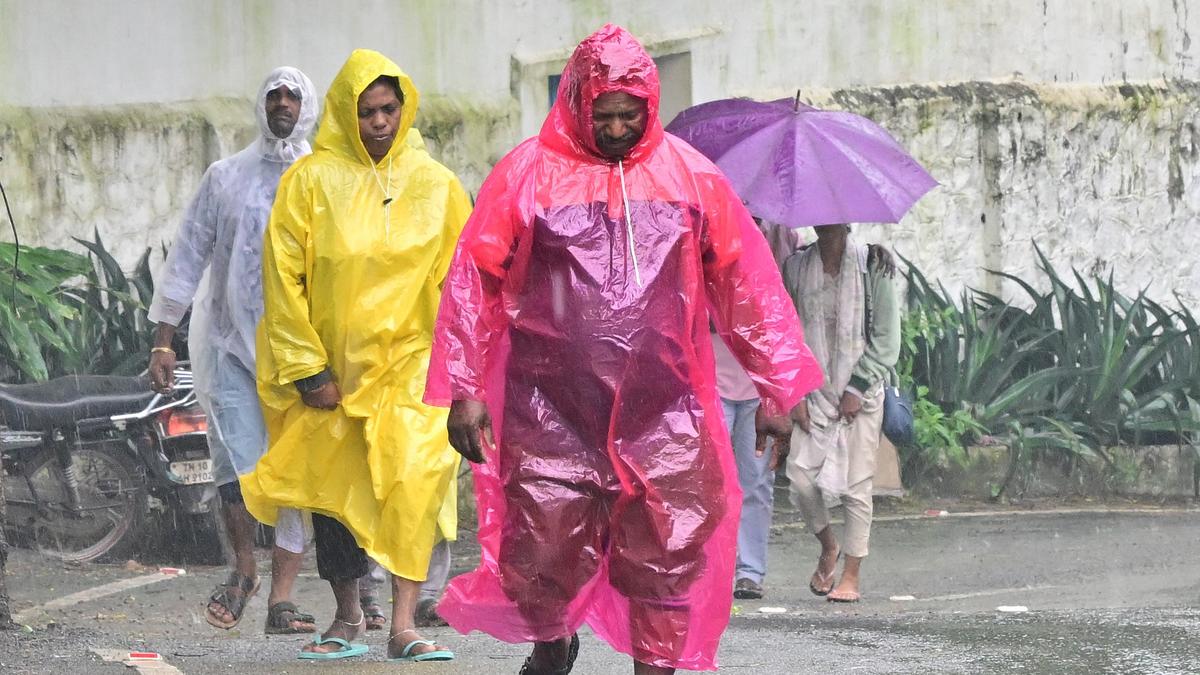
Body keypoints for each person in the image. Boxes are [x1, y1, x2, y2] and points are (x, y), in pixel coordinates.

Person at [425, 24, 823, 675]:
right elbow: (475, 281)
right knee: (542, 553)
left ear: (649, 106)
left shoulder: (691, 178)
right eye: (602, 114)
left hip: (664, 411)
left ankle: (655, 668)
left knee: (668, 554)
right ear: (578, 104)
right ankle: (552, 643)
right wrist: (464, 389)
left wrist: (778, 388)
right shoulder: (528, 174)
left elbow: (747, 286)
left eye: (626, 114)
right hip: (550, 408)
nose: (614, 128)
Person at [241, 49, 471, 661]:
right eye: (366, 111)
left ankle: (403, 625)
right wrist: (306, 367)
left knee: (414, 484)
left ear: (405, 107)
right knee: (336, 497)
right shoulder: (310, 182)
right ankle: (347, 615)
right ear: (346, 112)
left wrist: (464, 372)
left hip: (413, 371)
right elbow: (281, 275)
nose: (379, 122)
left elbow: (464, 284)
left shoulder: (438, 187)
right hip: (334, 375)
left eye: (389, 109)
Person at [146, 67, 319, 636]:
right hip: (229, 349)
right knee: (243, 468)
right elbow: (189, 255)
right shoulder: (225, 178)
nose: (283, 104)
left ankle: (283, 598)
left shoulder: (323, 179)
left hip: (302, 357)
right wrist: (164, 338)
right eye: (274, 95)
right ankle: (243, 570)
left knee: (295, 472)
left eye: (293, 96)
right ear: (260, 105)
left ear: (308, 105)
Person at [779, 224, 900, 604]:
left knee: (856, 487)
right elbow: (786, 332)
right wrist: (794, 391)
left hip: (860, 396)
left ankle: (851, 575)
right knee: (799, 477)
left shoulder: (872, 264)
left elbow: (886, 338)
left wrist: (857, 387)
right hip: (814, 392)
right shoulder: (796, 267)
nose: (826, 222)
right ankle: (828, 545)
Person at [723, 219, 801, 601]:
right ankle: (715, 569)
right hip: (711, 379)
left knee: (756, 480)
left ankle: (750, 571)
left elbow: (786, 312)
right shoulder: (706, 238)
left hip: (758, 386)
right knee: (711, 483)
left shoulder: (783, 241)